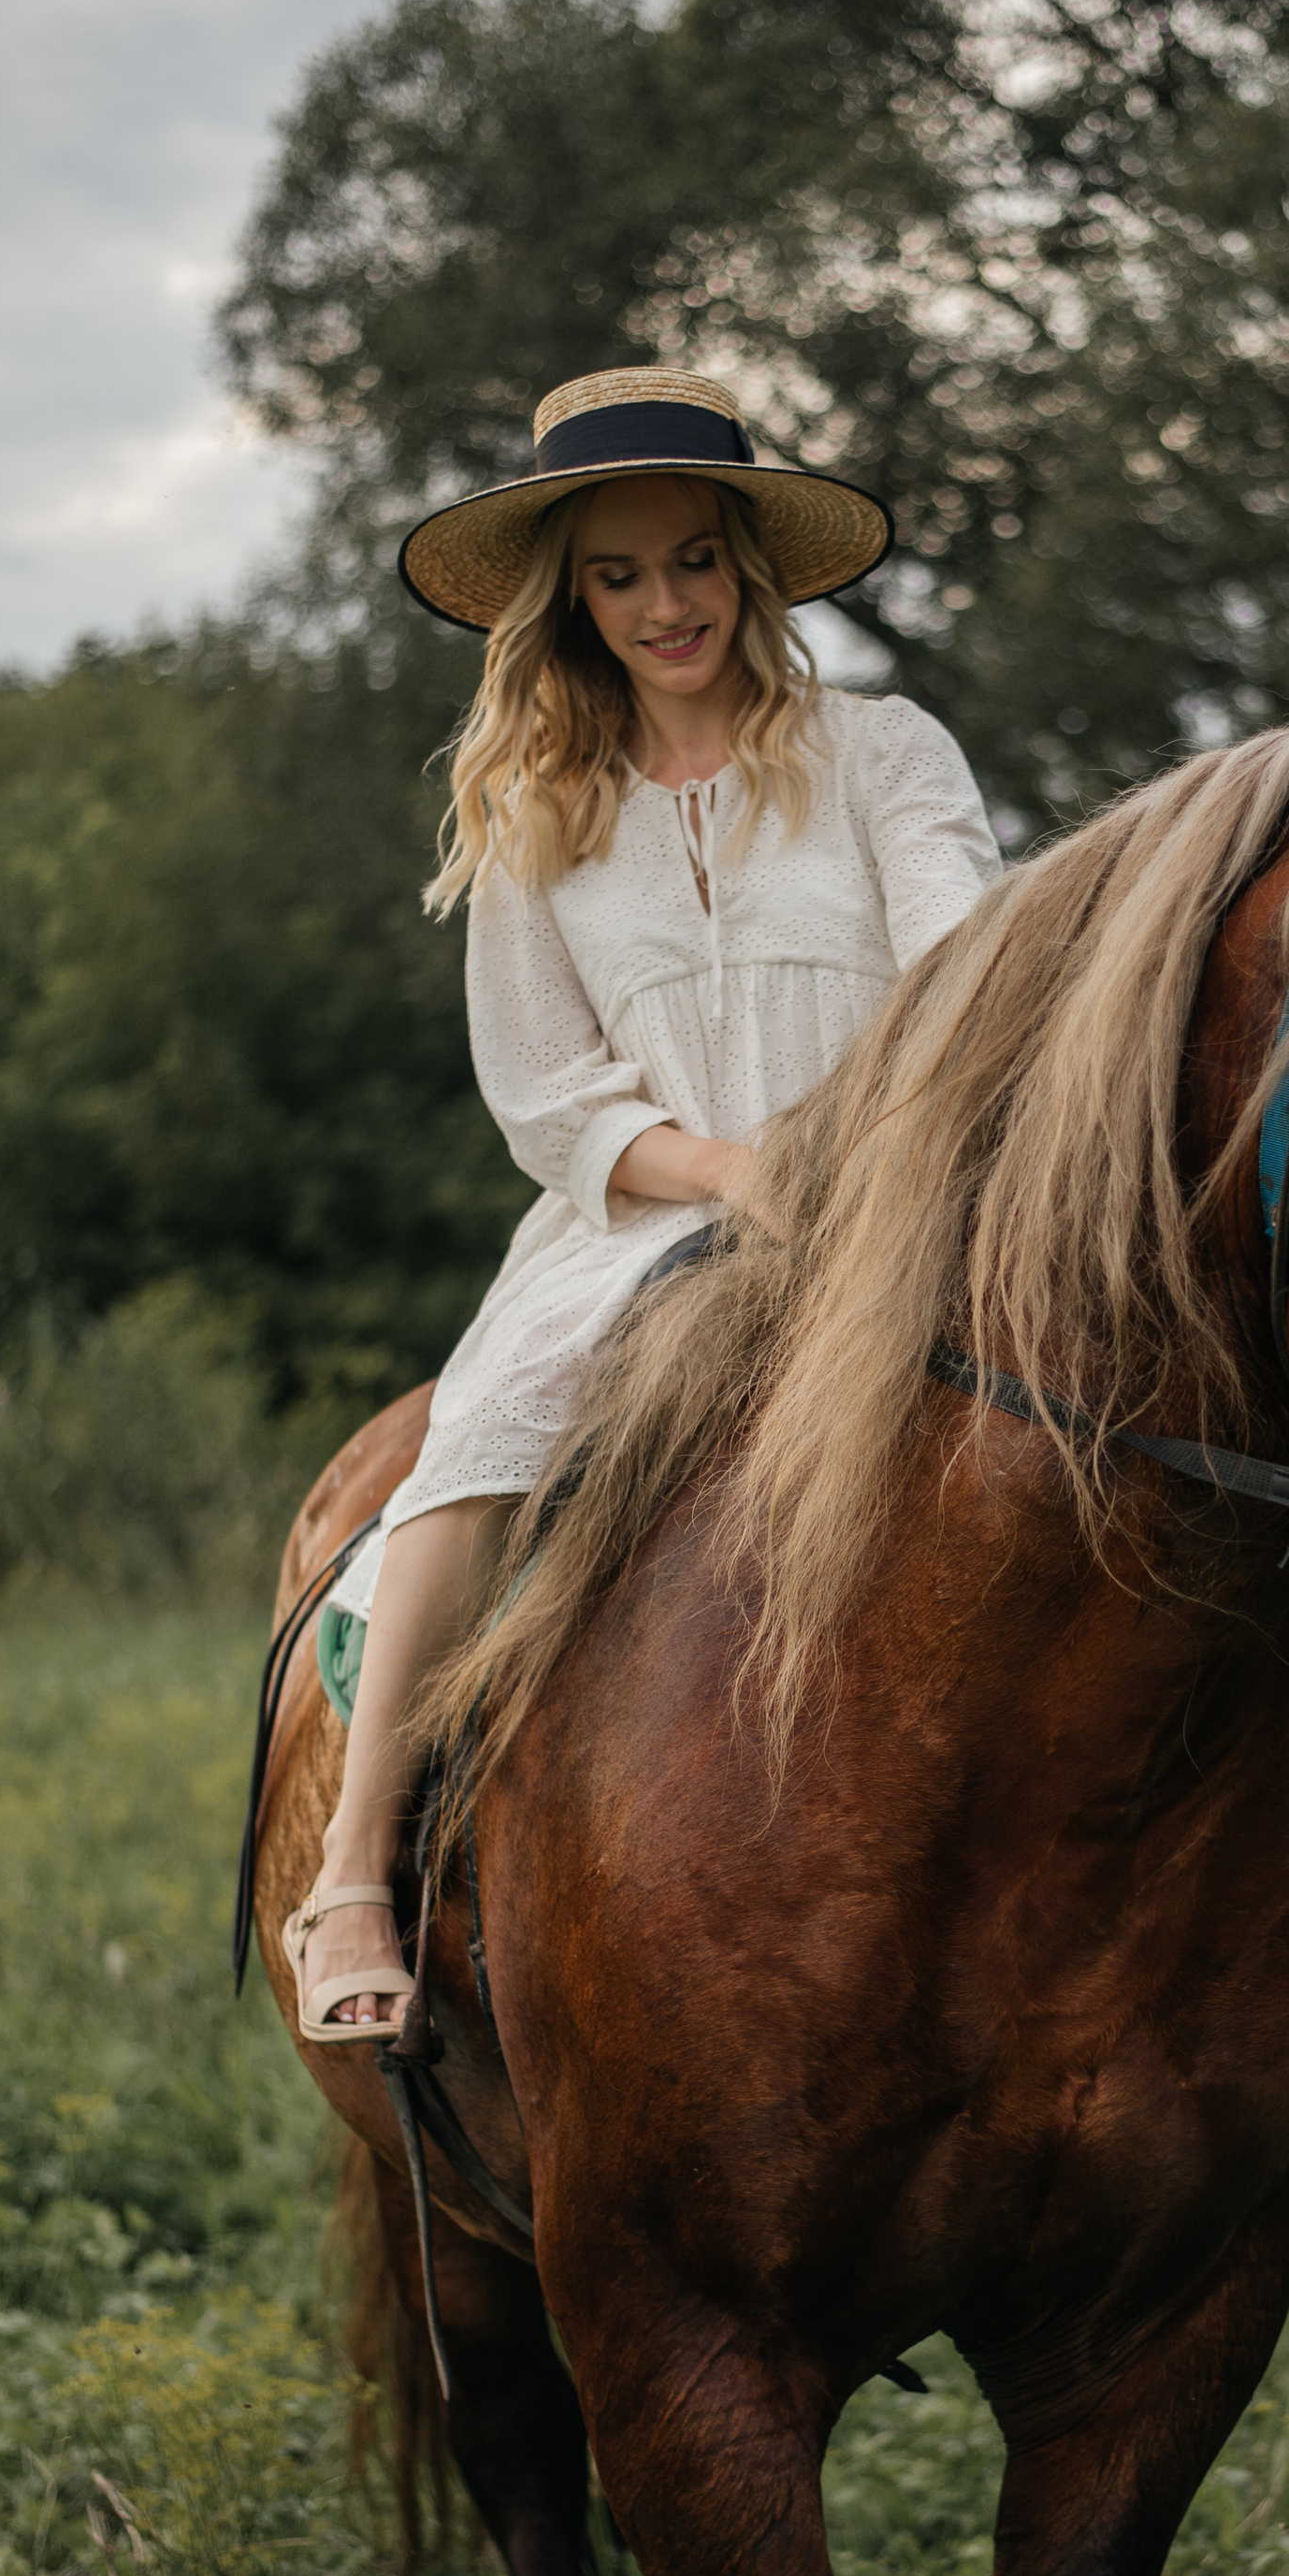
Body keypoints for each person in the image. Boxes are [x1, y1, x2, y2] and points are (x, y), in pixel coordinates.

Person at [283, 365, 1002, 2039]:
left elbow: (965, 971)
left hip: (891, 1192)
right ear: (572, 599)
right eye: (619, 575)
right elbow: (549, 1094)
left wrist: (846, 1159)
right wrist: (735, 1174)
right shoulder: (541, 812)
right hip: (643, 1224)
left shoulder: (882, 753)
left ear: (746, 564)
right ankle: (355, 1865)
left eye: (693, 560)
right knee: (482, 1433)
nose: (666, 605)